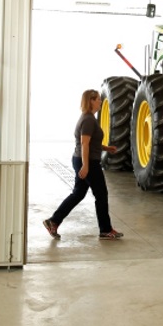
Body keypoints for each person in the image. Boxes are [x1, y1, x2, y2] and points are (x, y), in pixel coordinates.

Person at [43, 89, 124, 240]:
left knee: (78, 193)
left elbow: (91, 142)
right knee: (101, 194)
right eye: (98, 99)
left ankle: (53, 221)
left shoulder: (89, 118)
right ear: (91, 101)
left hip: (82, 159)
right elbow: (84, 144)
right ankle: (105, 230)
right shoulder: (88, 119)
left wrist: (107, 148)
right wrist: (86, 166)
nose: (100, 101)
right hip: (87, 161)